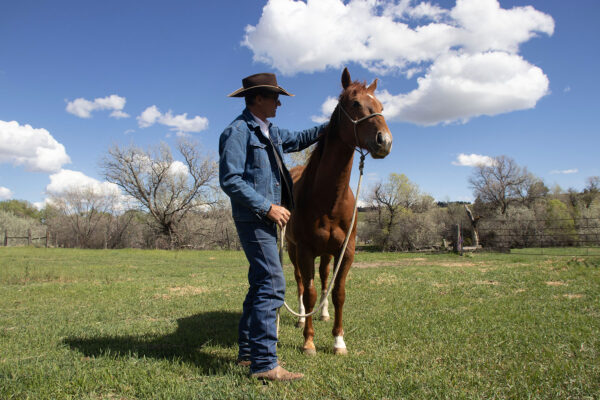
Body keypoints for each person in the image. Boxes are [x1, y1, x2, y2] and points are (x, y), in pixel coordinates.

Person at [219, 73, 324, 381]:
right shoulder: (237, 132)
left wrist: (337, 123)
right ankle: (265, 365)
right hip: (254, 219)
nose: (280, 102)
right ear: (259, 98)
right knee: (273, 284)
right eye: (275, 97)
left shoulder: (271, 132)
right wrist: (267, 207)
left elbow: (303, 138)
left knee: (259, 283)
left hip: (265, 220)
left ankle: (248, 353)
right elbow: (230, 180)